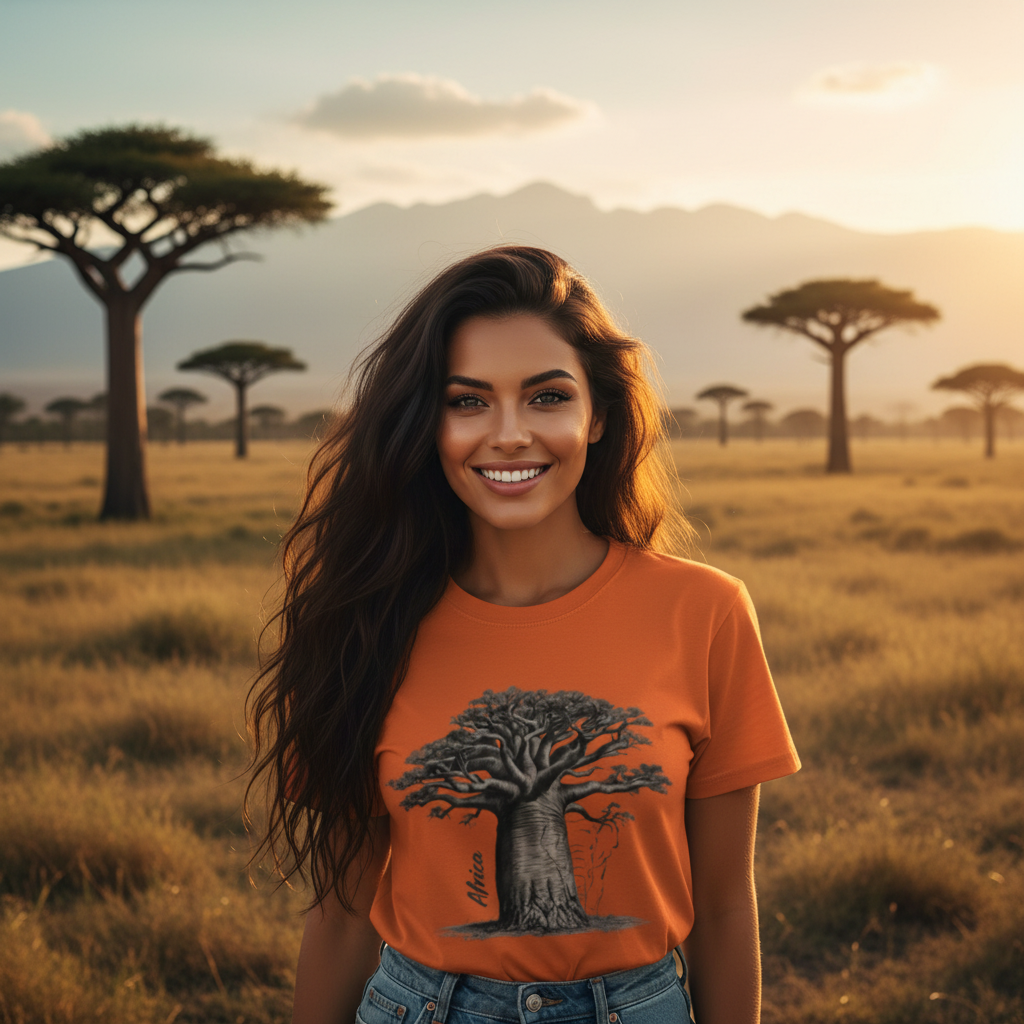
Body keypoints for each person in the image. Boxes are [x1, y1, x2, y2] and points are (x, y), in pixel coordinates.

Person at [247, 246, 800, 1024]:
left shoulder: (704, 612)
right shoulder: (362, 625)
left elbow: (723, 907)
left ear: (597, 415)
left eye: (546, 397)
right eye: (467, 401)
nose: (508, 435)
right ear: (425, 422)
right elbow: (341, 917)